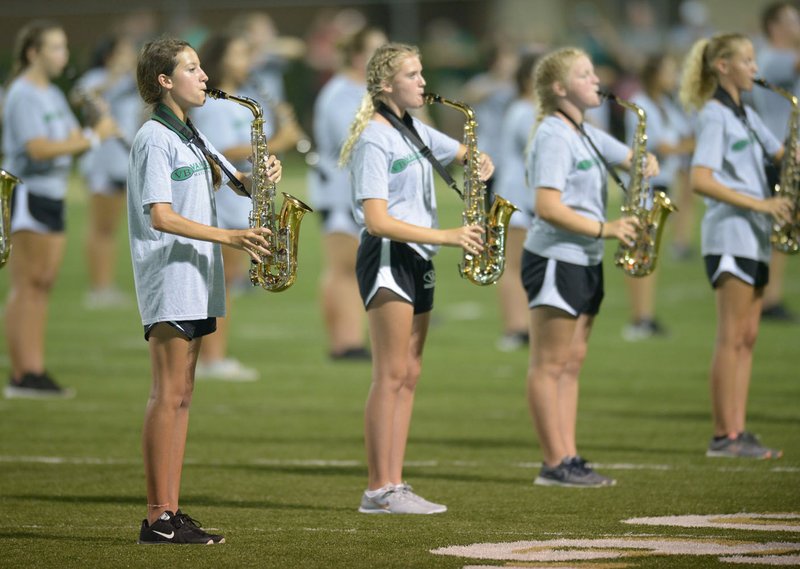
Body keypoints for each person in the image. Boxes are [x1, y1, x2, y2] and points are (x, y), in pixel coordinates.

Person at [129, 37, 282, 543]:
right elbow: (161, 214)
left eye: (200, 67)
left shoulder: (192, 133)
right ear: (165, 81)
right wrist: (230, 236)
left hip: (197, 274)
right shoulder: (156, 136)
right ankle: (157, 517)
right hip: (171, 275)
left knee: (183, 395)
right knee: (167, 393)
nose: (203, 76)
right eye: (191, 69)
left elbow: (234, 183)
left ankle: (170, 511)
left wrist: (261, 176)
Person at [339, 42, 493, 513]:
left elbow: (465, 152)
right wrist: (448, 235)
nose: (423, 81)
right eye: (413, 74)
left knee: (410, 371)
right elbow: (376, 221)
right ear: (387, 85)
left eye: (422, 72)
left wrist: (477, 160)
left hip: (419, 255)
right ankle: (378, 489)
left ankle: (395, 482)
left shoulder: (413, 129)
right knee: (389, 374)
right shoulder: (374, 138)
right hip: (388, 254)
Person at [523, 47, 658, 487]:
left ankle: (570, 454)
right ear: (559, 89)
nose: (596, 80)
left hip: (586, 258)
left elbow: (636, 159)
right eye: (584, 75)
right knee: (549, 363)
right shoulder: (554, 135)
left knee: (572, 361)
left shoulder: (585, 130)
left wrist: (646, 160)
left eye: (594, 72)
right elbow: (546, 206)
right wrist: (607, 227)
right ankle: (554, 462)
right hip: (556, 257)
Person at [679, 33, 791, 459]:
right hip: (730, 234)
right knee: (730, 336)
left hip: (756, 234)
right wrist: (760, 202)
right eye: (746, 60)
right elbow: (701, 178)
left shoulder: (745, 113)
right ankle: (723, 435)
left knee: (748, 336)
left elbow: (782, 154)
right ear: (722, 66)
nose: (755, 68)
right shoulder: (714, 115)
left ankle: (738, 429)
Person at [2, 20, 118, 399]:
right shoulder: (21, 94)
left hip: (52, 195)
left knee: (43, 285)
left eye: (64, 48)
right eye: (54, 47)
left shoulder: (51, 93)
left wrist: (84, 136)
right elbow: (37, 148)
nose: (62, 55)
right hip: (27, 194)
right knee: (26, 285)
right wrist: (91, 137)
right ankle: (22, 374)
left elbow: (68, 139)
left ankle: (35, 369)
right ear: (33, 53)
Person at [191, 32, 300, 381]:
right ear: (220, 59)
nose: (246, 62)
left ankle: (213, 357)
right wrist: (282, 140)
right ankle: (212, 359)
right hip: (222, 201)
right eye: (238, 53)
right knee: (220, 284)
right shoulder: (213, 104)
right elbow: (220, 150)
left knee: (228, 282)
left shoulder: (239, 101)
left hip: (239, 199)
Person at [310, 26, 387, 361]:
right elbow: (353, 141)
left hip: (358, 190)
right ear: (359, 57)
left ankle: (349, 341)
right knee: (344, 268)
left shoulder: (366, 90)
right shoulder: (343, 92)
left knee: (355, 267)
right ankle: (346, 343)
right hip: (340, 190)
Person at [622, 53, 695, 341]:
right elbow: (664, 146)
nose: (673, 76)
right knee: (639, 251)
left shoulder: (666, 105)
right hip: (644, 185)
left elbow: (682, 136)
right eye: (668, 70)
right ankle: (639, 318)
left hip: (662, 183)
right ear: (654, 74)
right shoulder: (642, 104)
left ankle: (646, 317)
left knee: (650, 254)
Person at [73, 34, 142, 310]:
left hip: (126, 162)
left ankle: (106, 285)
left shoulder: (134, 82)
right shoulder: (96, 77)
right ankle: (98, 288)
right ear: (110, 55)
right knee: (101, 227)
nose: (131, 55)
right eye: (125, 51)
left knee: (114, 228)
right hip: (102, 161)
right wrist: (113, 76)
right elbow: (80, 98)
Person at [751, 1, 800, 322]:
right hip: (779, 153)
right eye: (791, 20)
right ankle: (768, 300)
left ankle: (770, 298)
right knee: (781, 224)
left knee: (783, 226)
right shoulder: (774, 58)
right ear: (775, 27)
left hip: (787, 152)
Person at [493, 52, 539, 351]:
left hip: (527, 195)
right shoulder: (524, 110)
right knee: (513, 264)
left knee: (526, 264)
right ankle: (515, 327)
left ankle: (527, 326)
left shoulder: (532, 110)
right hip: (515, 195)